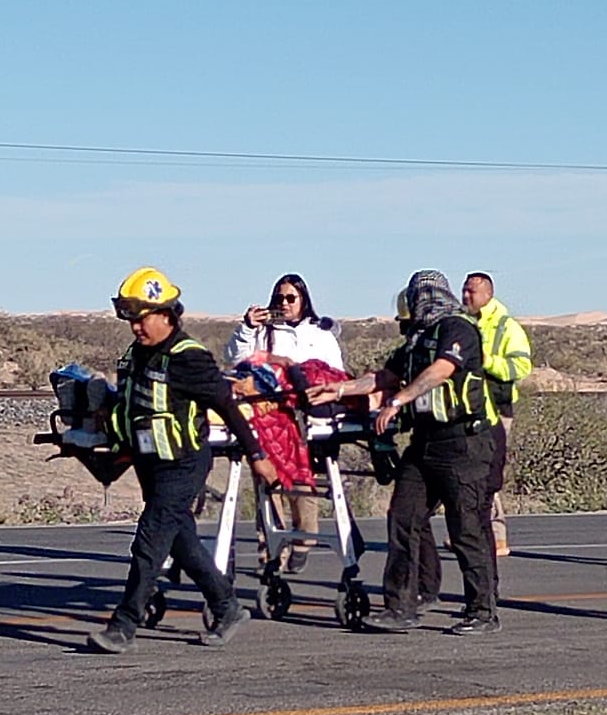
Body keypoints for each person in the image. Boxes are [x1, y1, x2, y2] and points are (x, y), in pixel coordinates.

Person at [88, 266, 278, 654]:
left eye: (142, 319)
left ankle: (123, 625)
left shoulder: (189, 359)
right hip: (150, 462)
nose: (136, 328)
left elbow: (227, 406)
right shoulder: (139, 353)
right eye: (131, 320)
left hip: (184, 464)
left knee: (150, 540)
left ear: (166, 315)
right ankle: (227, 607)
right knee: (182, 541)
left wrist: (257, 454)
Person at [309, 270, 500, 636]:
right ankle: (400, 607)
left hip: (463, 444)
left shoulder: (457, 329)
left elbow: (442, 370)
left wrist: (397, 401)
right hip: (425, 442)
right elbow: (384, 376)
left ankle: (483, 610)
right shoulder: (416, 340)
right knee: (403, 518)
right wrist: (339, 389)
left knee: (466, 528)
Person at [224, 273, 344, 573]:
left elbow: (334, 375)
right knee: (268, 483)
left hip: (305, 416)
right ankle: (271, 551)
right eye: (279, 298)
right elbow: (238, 360)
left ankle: (304, 540)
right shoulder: (263, 333)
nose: (285, 303)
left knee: (302, 482)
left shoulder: (320, 335)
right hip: (267, 416)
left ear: (303, 300)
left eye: (291, 298)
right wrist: (247, 328)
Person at [461, 271, 532, 558]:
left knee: (487, 472)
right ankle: (470, 532)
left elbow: (521, 367)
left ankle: (496, 535)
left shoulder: (507, 327)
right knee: (466, 472)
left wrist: (487, 361)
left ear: (488, 294)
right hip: (466, 410)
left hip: (497, 410)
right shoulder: (462, 323)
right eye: (464, 290)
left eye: (472, 291)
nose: (466, 296)